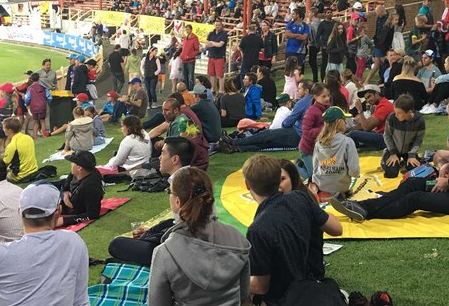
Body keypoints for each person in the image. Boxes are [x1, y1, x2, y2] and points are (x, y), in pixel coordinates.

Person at [243, 155, 342, 306]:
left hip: (285, 297)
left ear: (248, 185)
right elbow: (336, 228)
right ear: (278, 178)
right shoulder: (300, 198)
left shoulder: (257, 229)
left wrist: (230, 280)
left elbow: (261, 286)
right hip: (310, 283)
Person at [148, 167, 250, 306]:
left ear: (177, 201)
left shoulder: (165, 253)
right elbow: (243, 296)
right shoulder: (238, 239)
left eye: (169, 192)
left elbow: (157, 303)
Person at [108, 137, 193, 266]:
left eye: (163, 153)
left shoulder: (181, 185)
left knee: (116, 244)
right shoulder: (191, 176)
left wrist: (154, 238)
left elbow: (186, 228)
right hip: (189, 239)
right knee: (165, 224)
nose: (159, 157)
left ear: (175, 159)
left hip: (182, 251)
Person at [311, 106, 360, 197]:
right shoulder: (347, 142)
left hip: (321, 187)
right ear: (338, 122)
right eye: (344, 119)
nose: (346, 122)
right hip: (340, 187)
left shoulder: (318, 143)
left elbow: (315, 167)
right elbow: (354, 170)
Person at [380, 94, 426, 178]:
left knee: (415, 172)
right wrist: (392, 153)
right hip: (394, 149)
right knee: (391, 173)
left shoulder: (419, 121)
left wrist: (412, 154)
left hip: (408, 151)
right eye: (395, 112)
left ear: (409, 112)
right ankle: (386, 157)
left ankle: (404, 162)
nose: (396, 115)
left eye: (399, 113)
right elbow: (387, 135)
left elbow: (418, 139)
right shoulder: (391, 118)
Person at [59, 150, 104, 227]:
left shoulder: (90, 186)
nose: (71, 165)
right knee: (42, 185)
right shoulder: (78, 172)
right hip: (62, 201)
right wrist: (65, 192)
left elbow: (93, 214)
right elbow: (68, 180)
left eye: (73, 163)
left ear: (79, 167)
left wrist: (65, 221)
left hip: (71, 209)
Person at [297, 83, 332, 179]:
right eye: (323, 96)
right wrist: (323, 128)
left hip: (320, 149)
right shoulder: (311, 111)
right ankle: (296, 167)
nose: (327, 99)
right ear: (315, 97)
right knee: (313, 177)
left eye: (328, 95)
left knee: (324, 174)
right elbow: (306, 132)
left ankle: (305, 165)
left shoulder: (329, 109)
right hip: (307, 149)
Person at [347, 84, 394, 149]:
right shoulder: (381, 104)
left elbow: (367, 127)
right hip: (383, 136)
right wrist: (347, 130)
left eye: (369, 97)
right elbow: (367, 123)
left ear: (377, 94)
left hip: (386, 139)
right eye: (366, 98)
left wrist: (360, 110)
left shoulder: (384, 106)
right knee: (352, 133)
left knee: (353, 134)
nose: (367, 100)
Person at [1, 116, 38, 182]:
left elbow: (4, 164)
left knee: (0, 175)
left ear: (9, 130)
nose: (3, 129)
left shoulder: (12, 145)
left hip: (21, 176)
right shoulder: (28, 138)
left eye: (4, 128)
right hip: (34, 171)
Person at [0, 82, 17, 158]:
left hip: (0, 126)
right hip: (9, 125)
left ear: (4, 92)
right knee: (7, 144)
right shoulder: (13, 101)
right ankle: (10, 159)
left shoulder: (1, 102)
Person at [24, 72, 52, 138]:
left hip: (34, 106)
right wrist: (48, 102)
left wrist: (27, 104)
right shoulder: (43, 87)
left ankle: (35, 137)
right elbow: (49, 97)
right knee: (42, 121)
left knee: (35, 122)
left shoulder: (30, 88)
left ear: (31, 79)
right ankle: (44, 135)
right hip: (42, 106)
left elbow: (27, 98)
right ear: (38, 78)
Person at [205, 20, 228, 93]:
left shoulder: (224, 34)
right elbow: (206, 43)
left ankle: (221, 90)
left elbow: (220, 45)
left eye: (219, 25)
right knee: (211, 74)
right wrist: (214, 44)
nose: (217, 26)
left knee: (220, 75)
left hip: (220, 57)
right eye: (216, 25)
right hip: (211, 56)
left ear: (221, 26)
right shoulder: (211, 33)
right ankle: (212, 89)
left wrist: (211, 42)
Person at [238, 22, 263, 87]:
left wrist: (243, 52)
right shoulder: (258, 38)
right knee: (255, 76)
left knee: (244, 75)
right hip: (255, 59)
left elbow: (240, 48)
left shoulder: (244, 38)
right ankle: (254, 88)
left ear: (248, 30)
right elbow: (262, 49)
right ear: (255, 30)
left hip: (246, 59)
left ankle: (244, 89)